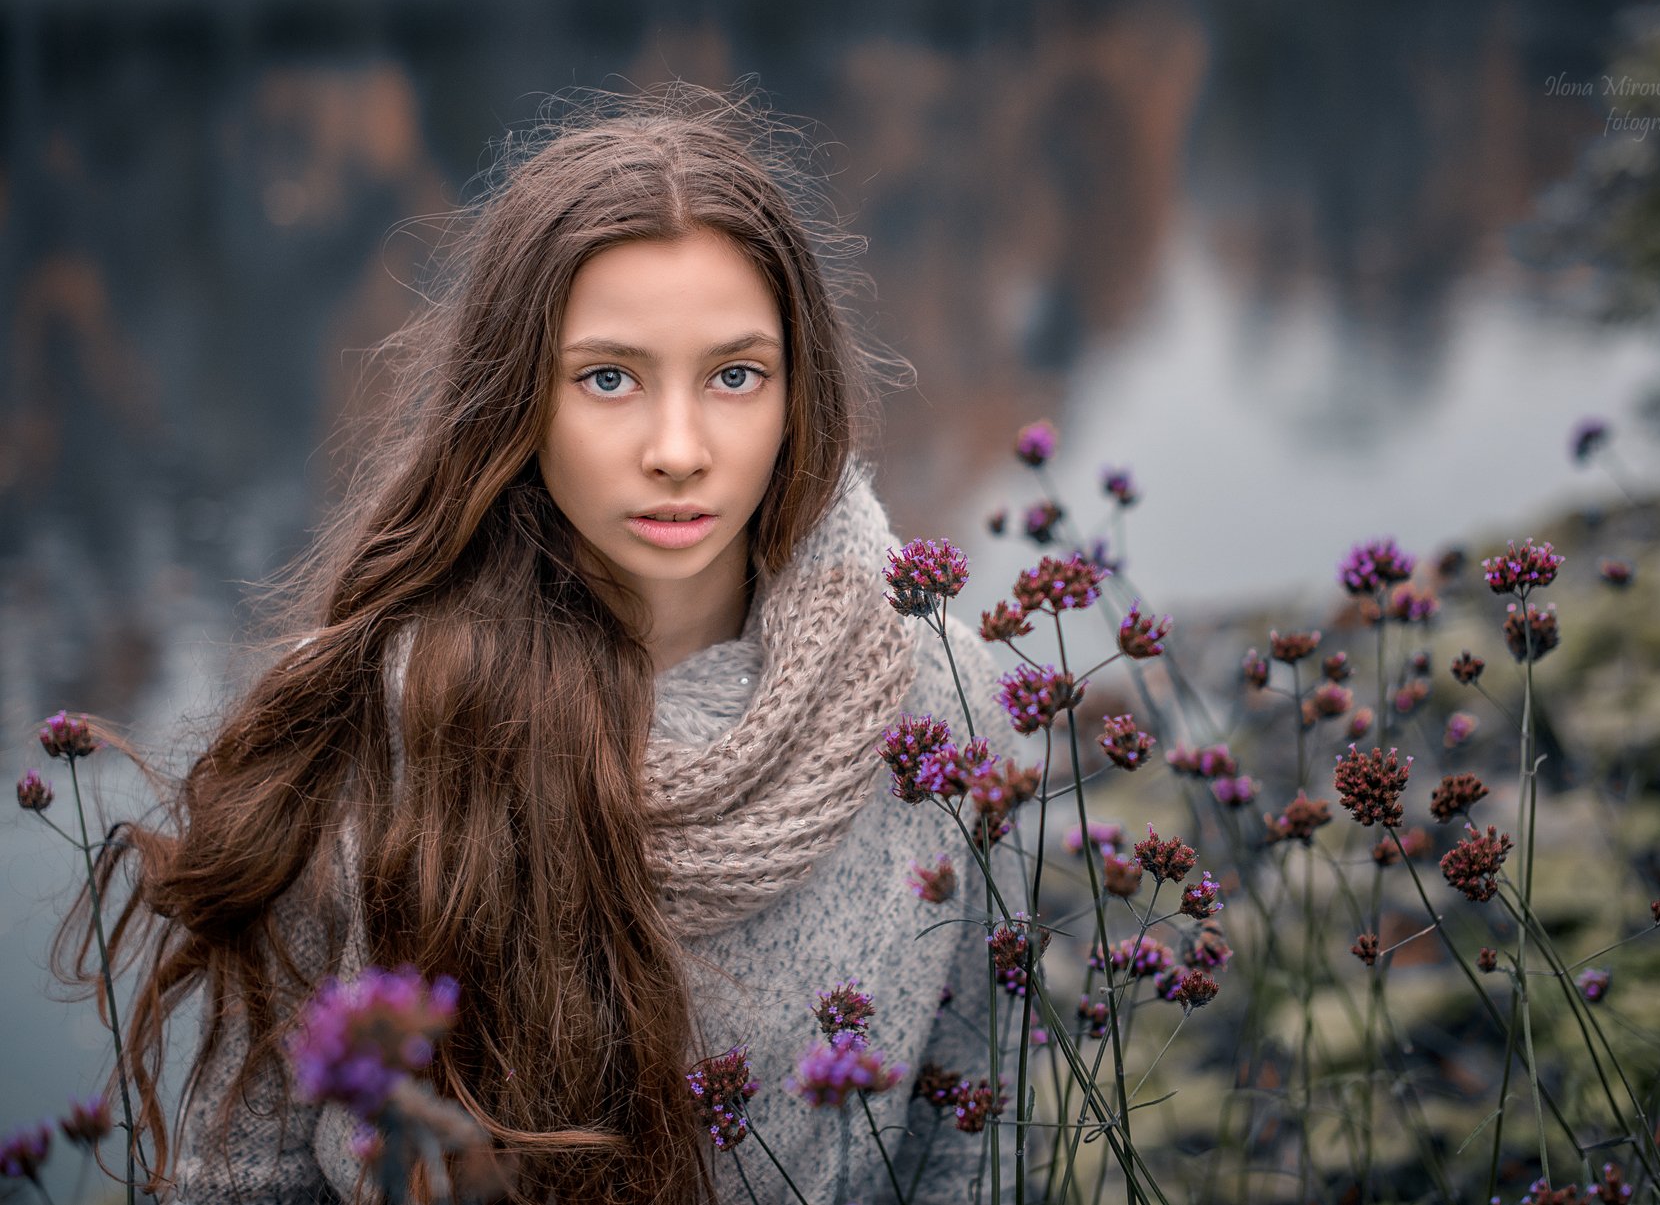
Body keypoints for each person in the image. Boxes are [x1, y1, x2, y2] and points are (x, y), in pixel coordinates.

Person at [66, 85, 1025, 1204]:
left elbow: (972, 1147)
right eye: (608, 377)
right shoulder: (369, 712)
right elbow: (242, 1173)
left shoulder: (946, 705)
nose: (679, 448)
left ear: (797, 393)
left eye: (735, 375)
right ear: (521, 398)